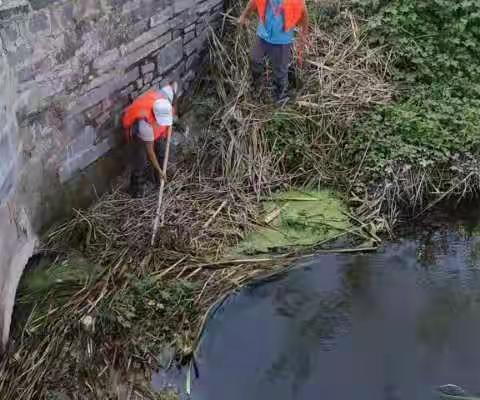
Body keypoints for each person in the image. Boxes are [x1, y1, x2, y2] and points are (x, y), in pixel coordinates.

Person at [239, 0, 309, 104]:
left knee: (280, 70)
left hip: (282, 40)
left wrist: (303, 36)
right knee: (254, 58)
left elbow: (304, 14)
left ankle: (281, 95)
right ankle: (257, 84)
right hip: (263, 35)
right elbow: (253, 2)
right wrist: (245, 16)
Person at [122, 82, 178, 197]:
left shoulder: (164, 98)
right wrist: (159, 170)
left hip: (154, 129)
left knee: (161, 150)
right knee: (141, 160)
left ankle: (160, 181)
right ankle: (136, 189)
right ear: (156, 117)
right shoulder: (144, 126)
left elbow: (174, 85)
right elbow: (150, 152)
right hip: (137, 132)